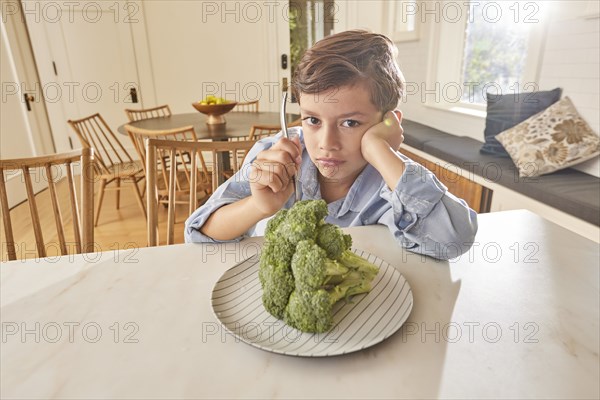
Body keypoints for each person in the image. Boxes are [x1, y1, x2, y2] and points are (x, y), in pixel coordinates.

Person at [185, 29, 477, 259]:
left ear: (389, 124)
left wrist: (378, 150)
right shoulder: (273, 156)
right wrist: (258, 205)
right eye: (312, 120)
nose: (326, 144)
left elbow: (454, 242)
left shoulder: (393, 179)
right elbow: (199, 235)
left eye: (350, 123)